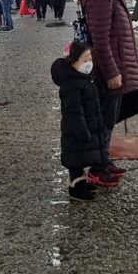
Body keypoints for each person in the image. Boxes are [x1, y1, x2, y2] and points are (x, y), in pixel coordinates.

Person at [79, 0, 138, 188]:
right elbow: (101, 40)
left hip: (119, 65)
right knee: (103, 120)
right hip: (109, 70)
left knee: (108, 119)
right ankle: (97, 168)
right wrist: (111, 72)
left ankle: (103, 160)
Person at [51, 40, 105, 202]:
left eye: (90, 59)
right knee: (76, 160)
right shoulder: (72, 84)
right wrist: (82, 131)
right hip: (77, 131)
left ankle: (80, 182)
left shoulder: (84, 78)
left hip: (87, 128)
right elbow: (73, 111)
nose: (89, 64)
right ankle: (75, 188)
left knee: (81, 159)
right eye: (84, 60)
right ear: (73, 62)